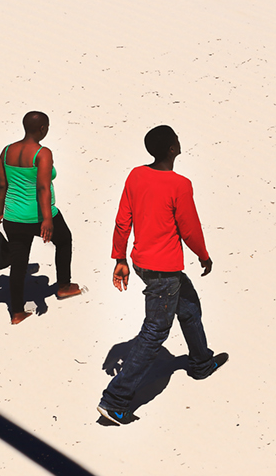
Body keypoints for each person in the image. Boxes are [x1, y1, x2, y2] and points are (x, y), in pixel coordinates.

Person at [97, 125, 227, 426]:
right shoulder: (179, 184)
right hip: (164, 271)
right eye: (177, 140)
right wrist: (203, 256)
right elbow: (189, 227)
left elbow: (122, 220)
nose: (180, 142)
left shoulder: (136, 175)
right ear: (171, 149)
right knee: (155, 331)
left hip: (142, 263)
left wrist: (120, 257)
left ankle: (201, 362)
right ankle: (115, 401)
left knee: (190, 305)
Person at [0, 110, 82, 325]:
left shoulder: (6, 152)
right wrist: (47, 219)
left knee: (18, 264)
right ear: (42, 129)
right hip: (38, 215)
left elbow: (2, 185)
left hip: (13, 217)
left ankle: (16, 312)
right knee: (64, 240)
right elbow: (43, 187)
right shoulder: (42, 153)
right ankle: (63, 286)